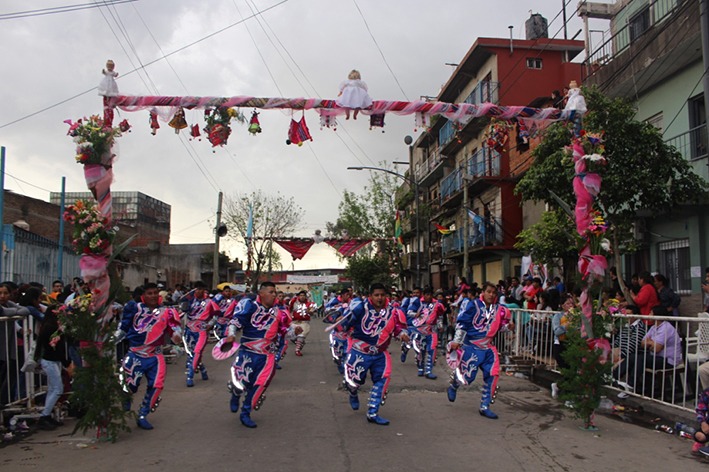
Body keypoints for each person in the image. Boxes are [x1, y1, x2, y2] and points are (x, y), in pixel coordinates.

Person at [224, 282, 301, 428]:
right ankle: (236, 392)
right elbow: (236, 321)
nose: (274, 295)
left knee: (261, 384)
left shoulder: (279, 312)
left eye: (275, 292)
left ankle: (245, 413)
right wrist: (231, 334)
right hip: (247, 352)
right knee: (242, 383)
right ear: (262, 293)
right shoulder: (249, 305)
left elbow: (284, 332)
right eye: (271, 292)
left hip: (267, 355)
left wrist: (294, 332)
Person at [342, 283, 409, 425]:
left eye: (382, 295)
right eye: (376, 295)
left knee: (382, 380)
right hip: (360, 351)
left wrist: (402, 334)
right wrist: (343, 324)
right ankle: (352, 392)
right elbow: (346, 323)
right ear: (370, 296)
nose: (380, 298)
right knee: (354, 382)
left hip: (380, 353)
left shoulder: (394, 312)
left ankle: (372, 413)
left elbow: (398, 327)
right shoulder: (360, 308)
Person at [118, 283, 182, 430]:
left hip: (155, 356)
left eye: (155, 293)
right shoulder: (134, 308)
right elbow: (123, 328)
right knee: (130, 386)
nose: (153, 296)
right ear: (143, 296)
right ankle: (126, 398)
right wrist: (110, 340)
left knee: (157, 385)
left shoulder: (167, 312)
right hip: (135, 354)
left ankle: (143, 414)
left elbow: (175, 330)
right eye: (149, 293)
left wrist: (177, 335)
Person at [447, 282, 514, 419]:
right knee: (467, 378)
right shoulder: (473, 305)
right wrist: (457, 341)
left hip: (488, 348)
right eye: (488, 291)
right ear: (483, 292)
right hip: (472, 346)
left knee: (493, 374)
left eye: (494, 292)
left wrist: (508, 327)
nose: (491, 295)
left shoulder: (499, 309)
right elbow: (462, 323)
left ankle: (485, 406)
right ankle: (454, 384)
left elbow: (500, 327)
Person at [625, 306, 683, 393]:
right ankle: (615, 378)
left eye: (651, 313)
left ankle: (630, 385)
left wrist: (650, 342)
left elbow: (656, 349)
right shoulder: (653, 327)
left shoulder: (666, 328)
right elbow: (642, 344)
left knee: (641, 359)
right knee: (633, 357)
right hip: (656, 357)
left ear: (657, 316)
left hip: (668, 360)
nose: (649, 315)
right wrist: (651, 343)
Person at [181, 281, 220, 387]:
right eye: (196, 289)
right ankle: (203, 370)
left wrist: (210, 324)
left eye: (200, 289)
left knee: (197, 352)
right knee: (191, 354)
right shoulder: (190, 300)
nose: (198, 291)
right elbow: (183, 309)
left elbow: (216, 315)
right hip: (189, 330)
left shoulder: (210, 302)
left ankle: (190, 376)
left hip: (202, 331)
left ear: (204, 290)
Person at [412, 288, 446, 379]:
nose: (429, 296)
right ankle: (421, 368)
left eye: (430, 295)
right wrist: (415, 314)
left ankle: (428, 370)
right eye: (427, 294)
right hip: (420, 329)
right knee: (421, 350)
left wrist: (440, 325)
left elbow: (440, 316)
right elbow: (409, 312)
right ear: (423, 295)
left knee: (432, 349)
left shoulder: (437, 304)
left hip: (432, 330)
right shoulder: (418, 302)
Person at [323, 288, 353, 374]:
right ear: (342, 295)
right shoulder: (334, 301)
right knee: (338, 353)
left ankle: (346, 369)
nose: (349, 296)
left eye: (350, 294)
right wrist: (339, 309)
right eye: (347, 294)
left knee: (348, 352)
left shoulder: (353, 303)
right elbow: (327, 311)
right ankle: (340, 364)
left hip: (349, 332)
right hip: (337, 332)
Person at [289, 291, 316, 356]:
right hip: (295, 322)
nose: (302, 297)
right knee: (292, 337)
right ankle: (301, 343)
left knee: (301, 335)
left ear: (305, 296)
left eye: (303, 295)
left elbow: (312, 313)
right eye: (300, 295)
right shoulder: (294, 303)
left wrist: (309, 311)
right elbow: (289, 308)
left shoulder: (309, 304)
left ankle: (297, 350)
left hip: (304, 322)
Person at [400, 287, 422, 363]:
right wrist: (416, 314)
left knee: (417, 342)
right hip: (410, 324)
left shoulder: (423, 302)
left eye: (417, 293)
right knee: (409, 341)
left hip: (419, 325)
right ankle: (405, 350)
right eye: (414, 293)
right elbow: (407, 312)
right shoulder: (409, 301)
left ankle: (418, 359)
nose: (415, 294)